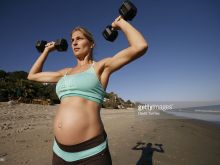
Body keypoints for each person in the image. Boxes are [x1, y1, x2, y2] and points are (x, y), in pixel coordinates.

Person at [27, 16, 148, 165]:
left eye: (79, 38)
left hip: (92, 153)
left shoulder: (100, 67)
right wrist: (47, 51)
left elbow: (140, 46)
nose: (74, 43)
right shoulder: (65, 72)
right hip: (59, 152)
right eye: (72, 40)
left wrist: (120, 23)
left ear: (91, 44)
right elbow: (32, 76)